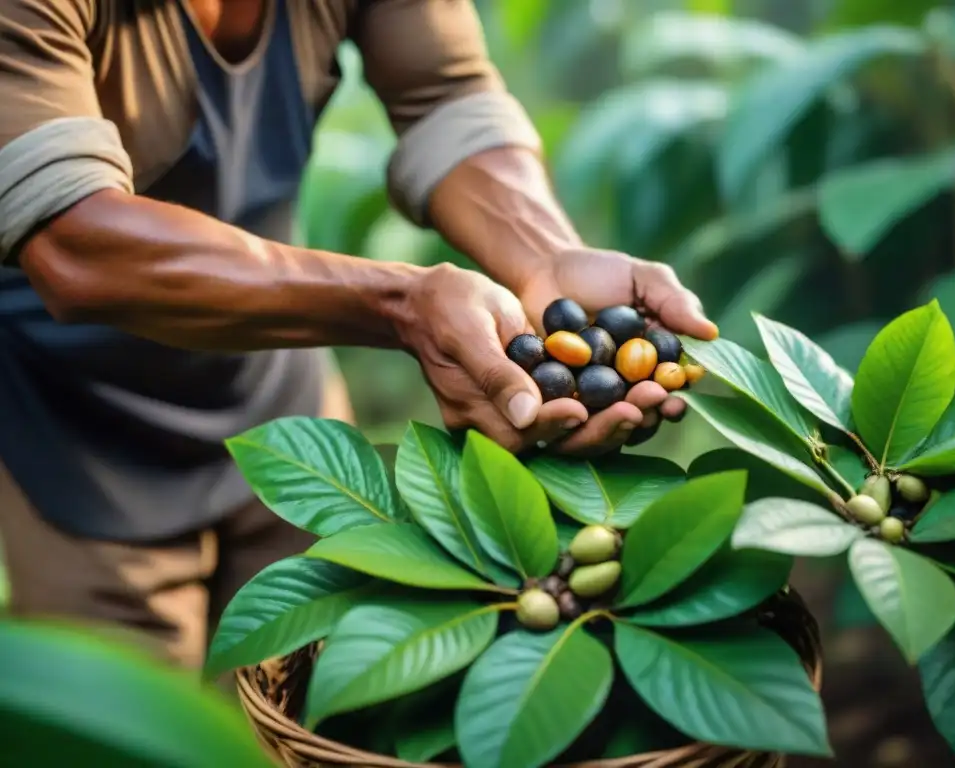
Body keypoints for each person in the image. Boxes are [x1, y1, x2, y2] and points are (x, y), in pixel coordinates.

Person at [0, 0, 717, 669]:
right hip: (80, 440)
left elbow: (446, 97)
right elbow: (73, 241)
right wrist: (401, 305)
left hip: (280, 400)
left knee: (314, 699)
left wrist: (545, 258)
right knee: (143, 730)